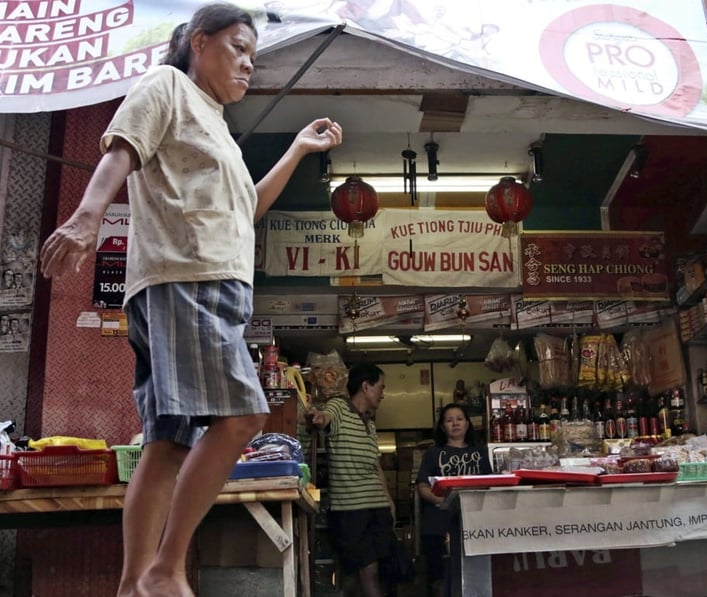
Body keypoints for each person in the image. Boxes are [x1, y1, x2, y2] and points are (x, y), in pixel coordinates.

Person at [37, 4, 343, 596]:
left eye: (253, 55)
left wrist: (298, 150)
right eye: (238, 48)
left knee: (169, 440)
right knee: (244, 415)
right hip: (186, 282)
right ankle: (165, 568)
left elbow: (245, 210)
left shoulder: (217, 128)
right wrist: (85, 218)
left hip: (207, 286)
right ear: (199, 43)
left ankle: (133, 586)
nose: (249, 64)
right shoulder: (168, 85)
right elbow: (120, 150)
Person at [312, 363, 393, 597]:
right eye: (381, 387)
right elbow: (324, 418)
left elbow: (376, 466)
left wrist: (389, 501)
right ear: (366, 386)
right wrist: (317, 417)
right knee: (368, 571)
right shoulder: (338, 406)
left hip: (377, 508)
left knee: (377, 572)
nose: (383, 393)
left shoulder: (370, 423)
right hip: (350, 510)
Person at [415, 403, 492, 597]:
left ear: (467, 424)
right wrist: (441, 501)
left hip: (474, 522)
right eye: (449, 420)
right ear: (442, 426)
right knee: (439, 576)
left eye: (459, 419)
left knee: (472, 571)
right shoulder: (433, 453)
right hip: (438, 522)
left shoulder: (481, 452)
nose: (455, 423)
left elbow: (490, 484)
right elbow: (422, 486)